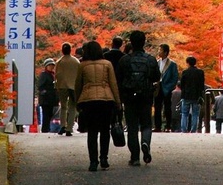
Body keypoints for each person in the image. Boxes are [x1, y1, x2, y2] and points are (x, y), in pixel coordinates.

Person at [75, 40, 121, 172]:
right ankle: (104, 158)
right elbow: (113, 84)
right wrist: (117, 102)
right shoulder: (107, 64)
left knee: (92, 132)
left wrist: (78, 100)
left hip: (88, 100)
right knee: (105, 130)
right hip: (105, 100)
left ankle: (93, 161)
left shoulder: (82, 66)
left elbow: (78, 85)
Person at [117, 29, 161, 166]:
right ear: (144, 42)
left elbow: (119, 78)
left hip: (129, 96)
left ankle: (135, 157)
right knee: (147, 124)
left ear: (131, 42)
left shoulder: (124, 60)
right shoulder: (151, 60)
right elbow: (156, 77)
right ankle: (145, 142)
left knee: (132, 126)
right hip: (146, 95)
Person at [55, 42, 81, 135]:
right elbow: (79, 75)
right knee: (72, 107)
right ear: (70, 50)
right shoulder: (76, 61)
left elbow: (56, 75)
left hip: (62, 86)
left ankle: (62, 125)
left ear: (62, 51)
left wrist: (57, 86)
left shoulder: (59, 62)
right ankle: (69, 128)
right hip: (73, 86)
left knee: (63, 107)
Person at [153, 43, 178, 132]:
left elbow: (175, 77)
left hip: (167, 88)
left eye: (160, 50)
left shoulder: (172, 64)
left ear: (165, 52)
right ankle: (157, 126)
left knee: (167, 108)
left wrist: (169, 87)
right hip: (158, 88)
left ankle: (168, 126)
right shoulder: (157, 62)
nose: (159, 52)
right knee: (157, 107)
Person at [179, 56, 205, 133]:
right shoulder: (200, 72)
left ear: (188, 63)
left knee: (184, 113)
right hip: (196, 96)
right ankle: (193, 130)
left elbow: (182, 84)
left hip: (186, 95)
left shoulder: (185, 72)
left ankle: (184, 129)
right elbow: (201, 85)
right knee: (195, 114)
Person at [36, 58, 59, 133]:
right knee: (46, 115)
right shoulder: (44, 75)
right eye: (50, 65)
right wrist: (45, 92)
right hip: (46, 99)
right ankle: (45, 129)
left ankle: (48, 129)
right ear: (46, 66)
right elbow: (40, 86)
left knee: (50, 114)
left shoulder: (54, 75)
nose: (52, 67)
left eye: (52, 65)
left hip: (52, 99)